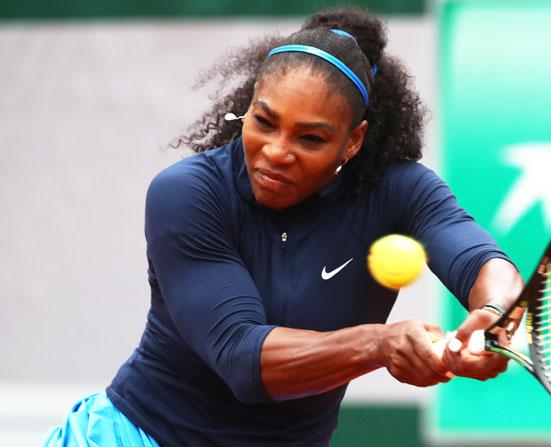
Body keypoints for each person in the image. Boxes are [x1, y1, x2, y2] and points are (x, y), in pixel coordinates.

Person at [43, 6, 523, 446]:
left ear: (352, 142)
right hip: (138, 436)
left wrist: (496, 313)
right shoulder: (188, 192)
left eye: (311, 138)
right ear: (249, 106)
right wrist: (380, 342)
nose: (276, 151)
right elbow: (241, 356)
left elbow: (481, 260)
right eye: (265, 122)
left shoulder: (397, 190)